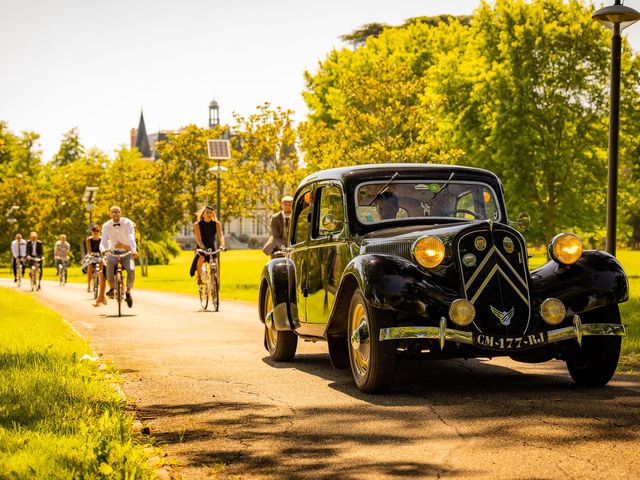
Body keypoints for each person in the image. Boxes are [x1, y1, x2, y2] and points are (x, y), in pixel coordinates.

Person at [99, 205, 137, 308]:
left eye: (118, 211)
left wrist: (134, 251)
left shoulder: (127, 223)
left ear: (121, 213)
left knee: (131, 269)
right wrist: (103, 250)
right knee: (108, 268)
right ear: (110, 214)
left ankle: (128, 292)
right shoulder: (106, 225)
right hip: (113, 252)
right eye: (113, 212)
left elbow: (131, 237)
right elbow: (103, 241)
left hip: (127, 253)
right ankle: (112, 288)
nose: (116, 213)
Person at [190, 205, 226, 284]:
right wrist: (203, 248)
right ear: (203, 214)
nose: (209, 214)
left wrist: (222, 245)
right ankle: (199, 277)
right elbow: (199, 240)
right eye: (207, 212)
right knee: (201, 259)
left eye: (211, 213)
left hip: (211, 247)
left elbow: (221, 235)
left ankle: (214, 285)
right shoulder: (197, 224)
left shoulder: (216, 224)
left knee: (215, 266)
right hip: (201, 247)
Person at [85, 225, 104, 293]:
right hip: (92, 254)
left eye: (97, 231)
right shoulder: (89, 239)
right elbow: (89, 249)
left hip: (100, 254)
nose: (96, 232)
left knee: (102, 264)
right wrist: (91, 254)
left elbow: (103, 248)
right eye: (94, 231)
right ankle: (89, 285)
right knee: (90, 266)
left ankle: (101, 281)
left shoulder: (101, 239)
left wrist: (103, 254)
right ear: (92, 232)